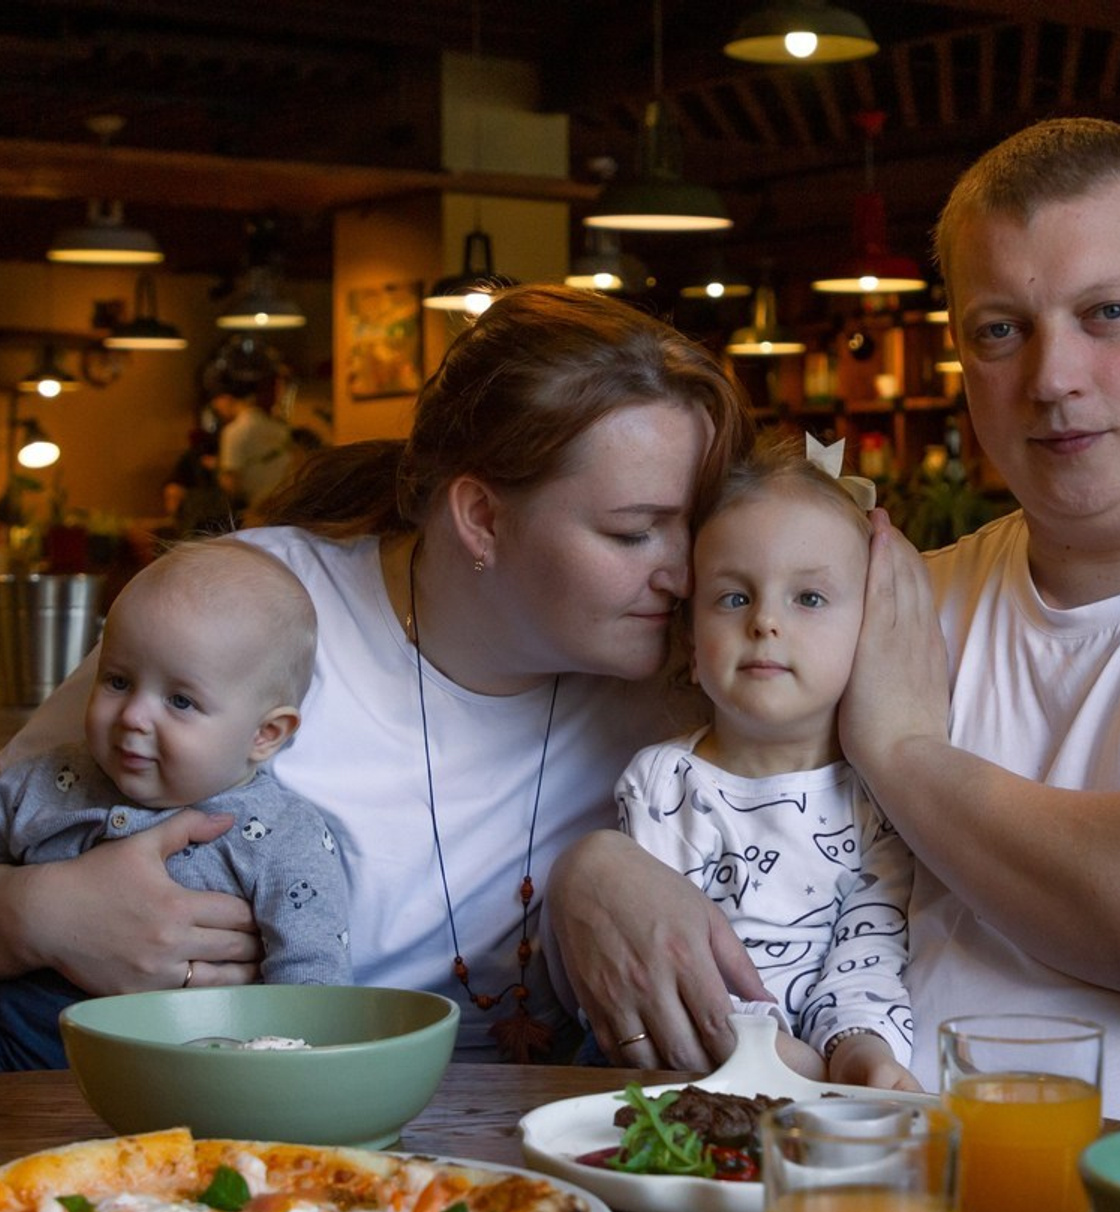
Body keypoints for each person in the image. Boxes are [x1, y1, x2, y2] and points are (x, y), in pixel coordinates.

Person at [547, 116, 1120, 1122]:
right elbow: (676, 768)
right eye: (998, 329)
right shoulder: (889, 596)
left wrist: (900, 749)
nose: (1051, 376)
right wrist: (592, 870)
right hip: (853, 1197)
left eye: (1105, 312)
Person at [0, 285, 764, 1066]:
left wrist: (596, 865)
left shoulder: (709, 662)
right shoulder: (249, 608)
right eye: (635, 532)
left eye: (693, 526)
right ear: (482, 518)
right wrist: (33, 914)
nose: (681, 572)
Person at [615, 440, 918, 1089]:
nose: (766, 622)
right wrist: (773, 1054)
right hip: (690, 1080)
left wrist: (862, 1050)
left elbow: (869, 947)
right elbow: (664, 960)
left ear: (867, 634)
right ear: (692, 646)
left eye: (808, 598)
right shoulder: (664, 785)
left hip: (825, 1091)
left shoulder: (879, 793)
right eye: (733, 598)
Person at [0, 539, 350, 1070]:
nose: (134, 716)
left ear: (265, 733)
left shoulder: (285, 834)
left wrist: (294, 1074)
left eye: (180, 701)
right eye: (118, 681)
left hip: (189, 1073)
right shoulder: (48, 779)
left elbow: (311, 976)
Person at [209, 373, 294, 521]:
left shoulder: (234, 432)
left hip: (260, 510)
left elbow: (231, 483)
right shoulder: (278, 426)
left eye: (217, 403)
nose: (217, 409)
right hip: (289, 501)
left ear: (226, 398)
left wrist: (217, 470)